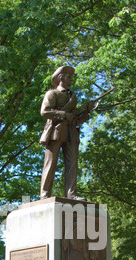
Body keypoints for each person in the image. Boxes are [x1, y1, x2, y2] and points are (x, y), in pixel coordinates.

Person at [39, 66, 95, 200]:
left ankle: (72, 194)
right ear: (61, 78)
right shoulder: (52, 94)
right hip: (56, 131)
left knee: (72, 164)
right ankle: (45, 194)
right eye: (68, 77)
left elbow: (75, 119)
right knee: (50, 163)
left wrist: (87, 110)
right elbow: (45, 111)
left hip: (71, 132)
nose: (71, 80)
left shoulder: (72, 97)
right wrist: (63, 114)